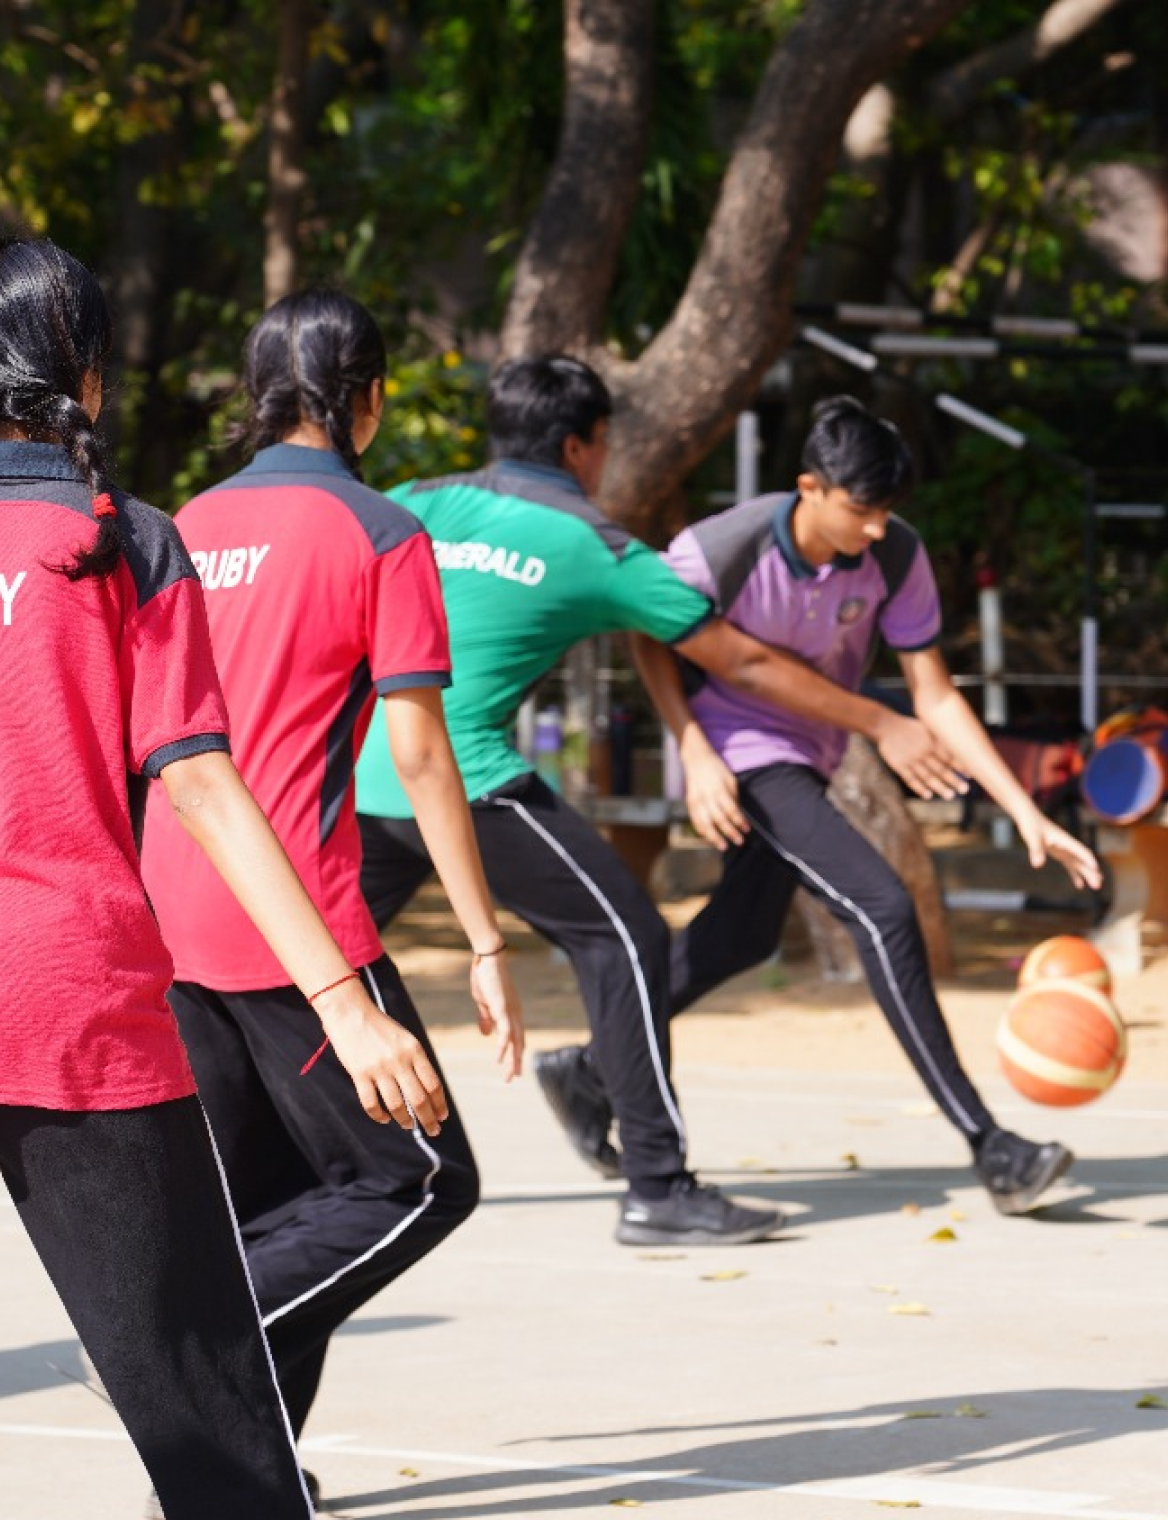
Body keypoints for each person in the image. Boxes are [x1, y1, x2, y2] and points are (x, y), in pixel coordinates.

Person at [0, 238, 453, 1519]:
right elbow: (201, 784)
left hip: (72, 1001)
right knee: (211, 1416)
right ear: (89, 378)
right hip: (70, 1009)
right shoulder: (118, 540)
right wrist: (346, 1001)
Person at [353, 356, 965, 1247]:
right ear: (582, 446)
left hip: (353, 784)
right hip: (462, 778)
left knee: (313, 969)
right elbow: (742, 661)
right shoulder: (592, 546)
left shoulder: (410, 500)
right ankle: (658, 1187)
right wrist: (880, 718)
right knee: (626, 937)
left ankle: (245, 1169)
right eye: (605, 442)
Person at [140, 288, 522, 1486]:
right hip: (295, 927)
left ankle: (235, 1476)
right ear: (370, 397)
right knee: (418, 1179)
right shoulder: (381, 530)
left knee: (279, 1201)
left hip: (169, 912)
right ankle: (176, 1340)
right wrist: (485, 936)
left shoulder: (184, 522)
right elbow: (416, 751)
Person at [550, 394, 1103, 1217]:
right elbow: (648, 631)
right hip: (741, 753)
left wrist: (1022, 808)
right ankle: (992, 1146)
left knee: (739, 937)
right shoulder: (723, 547)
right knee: (884, 906)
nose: (877, 528)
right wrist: (691, 747)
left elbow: (936, 696)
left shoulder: (896, 554)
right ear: (809, 486)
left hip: (814, 750)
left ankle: (590, 1070)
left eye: (887, 512)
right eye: (862, 509)